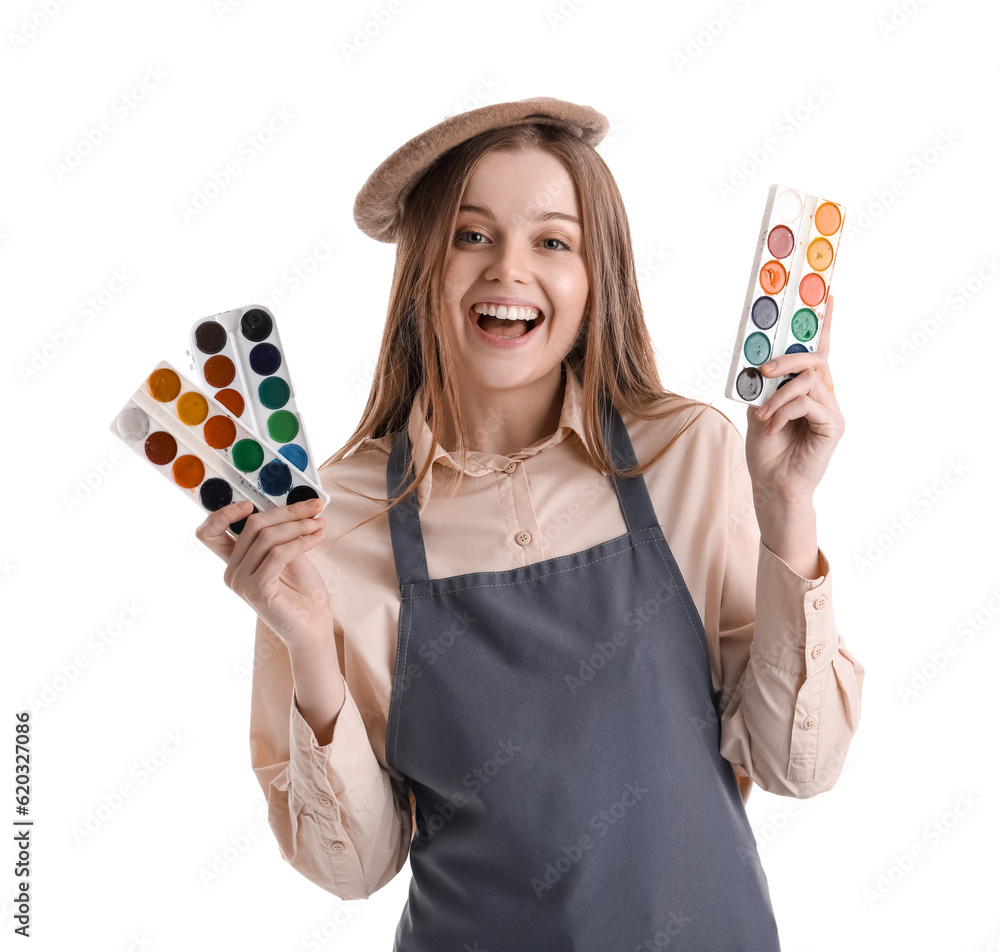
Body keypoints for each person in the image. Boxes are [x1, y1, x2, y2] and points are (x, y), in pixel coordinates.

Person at [196, 97, 864, 949]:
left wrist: (788, 514)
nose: (509, 271)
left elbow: (797, 766)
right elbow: (353, 868)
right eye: (471, 236)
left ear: (597, 278)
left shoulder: (688, 456)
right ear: (422, 270)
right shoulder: (333, 519)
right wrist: (306, 638)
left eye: (553, 241)